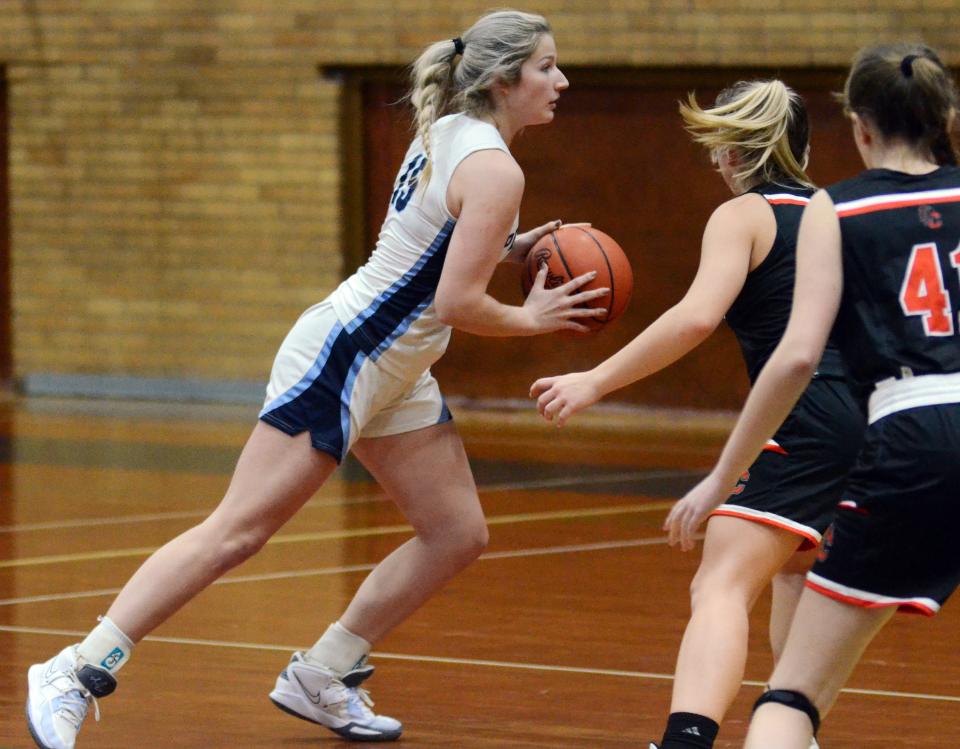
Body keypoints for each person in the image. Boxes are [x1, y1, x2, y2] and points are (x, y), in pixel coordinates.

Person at [24, 10, 610, 749]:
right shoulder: (493, 165)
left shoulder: (460, 137)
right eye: (548, 67)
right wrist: (536, 317)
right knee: (237, 531)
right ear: (503, 79)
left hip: (396, 363)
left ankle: (323, 672)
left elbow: (431, 245)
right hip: (347, 356)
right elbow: (455, 299)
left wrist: (515, 243)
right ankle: (76, 668)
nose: (562, 80)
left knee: (455, 531)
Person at [531, 80, 864, 749]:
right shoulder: (840, 212)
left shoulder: (742, 216)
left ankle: (687, 739)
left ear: (738, 153)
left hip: (808, 410)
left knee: (721, 581)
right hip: (876, 417)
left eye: (718, 148)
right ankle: (790, 727)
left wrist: (595, 379)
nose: (714, 163)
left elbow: (696, 316)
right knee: (795, 565)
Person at [664, 43, 960, 749]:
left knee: (791, 695)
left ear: (858, 127)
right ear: (944, 114)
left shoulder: (840, 209)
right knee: (793, 571)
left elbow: (798, 356)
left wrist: (717, 475)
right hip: (889, 425)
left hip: (912, 433)